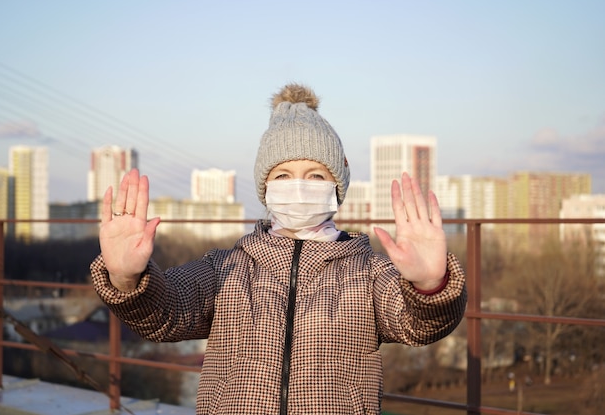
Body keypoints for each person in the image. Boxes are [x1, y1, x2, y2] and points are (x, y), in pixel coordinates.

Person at [90, 83, 467, 415]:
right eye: (282, 175)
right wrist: (126, 277)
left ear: (336, 188)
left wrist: (430, 285)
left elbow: (418, 324)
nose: (298, 187)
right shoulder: (226, 268)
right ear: (265, 188)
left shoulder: (367, 273)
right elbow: (165, 310)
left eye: (316, 175)